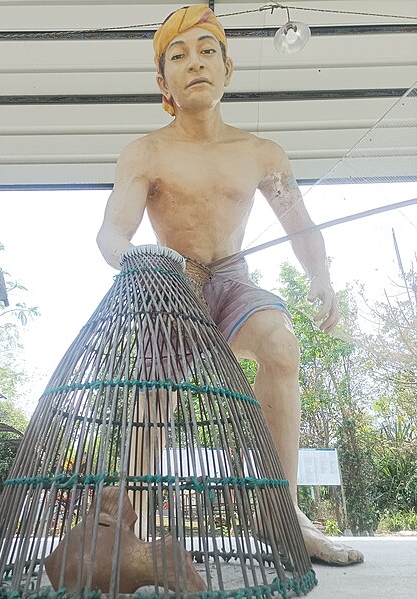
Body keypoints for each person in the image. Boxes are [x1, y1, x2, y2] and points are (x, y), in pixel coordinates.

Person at [97, 4, 363, 565]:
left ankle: (282, 512)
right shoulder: (146, 151)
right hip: (171, 287)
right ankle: (139, 525)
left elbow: (301, 223)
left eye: (207, 51)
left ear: (228, 68)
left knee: (281, 346)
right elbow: (110, 235)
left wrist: (322, 276)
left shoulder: (261, 154)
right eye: (179, 55)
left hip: (234, 281)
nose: (195, 63)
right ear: (162, 80)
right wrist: (137, 258)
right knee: (151, 392)